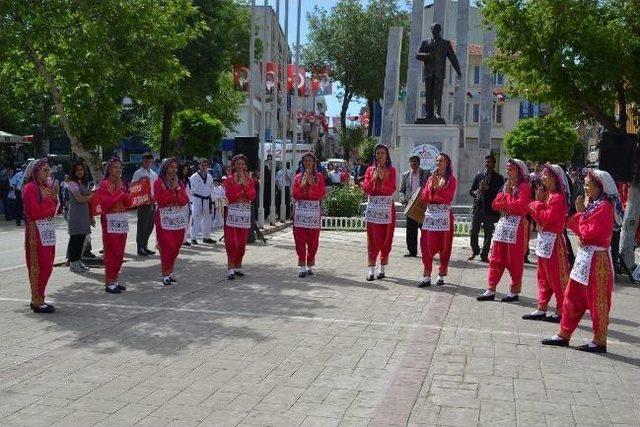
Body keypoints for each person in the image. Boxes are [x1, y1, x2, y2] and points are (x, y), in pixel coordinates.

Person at [542, 169, 622, 353]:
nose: (585, 187)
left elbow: (588, 232)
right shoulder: (595, 205)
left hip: (597, 261)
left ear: (599, 187)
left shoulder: (604, 207)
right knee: (572, 296)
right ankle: (564, 333)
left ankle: (599, 340)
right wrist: (582, 213)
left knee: (597, 301)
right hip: (585, 258)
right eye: (585, 183)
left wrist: (579, 213)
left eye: (588, 184)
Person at [477, 158, 531, 302]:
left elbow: (520, 207)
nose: (507, 171)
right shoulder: (506, 184)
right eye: (507, 168)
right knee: (496, 258)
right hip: (503, 225)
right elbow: (495, 204)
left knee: (514, 259)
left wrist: (506, 198)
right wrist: (506, 200)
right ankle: (491, 288)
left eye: (510, 169)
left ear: (518, 171)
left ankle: (514, 291)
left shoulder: (524, 187)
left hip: (517, 226)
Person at [523, 163, 571, 322]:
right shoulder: (549, 195)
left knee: (556, 278)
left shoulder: (557, 197)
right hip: (544, 241)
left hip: (554, 243)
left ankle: (560, 310)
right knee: (542, 276)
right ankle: (542, 307)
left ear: (553, 177)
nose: (541, 176)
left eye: (544, 174)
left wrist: (536, 203)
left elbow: (546, 218)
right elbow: (539, 218)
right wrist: (539, 204)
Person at [23, 159, 58, 313]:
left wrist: (54, 199)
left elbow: (56, 209)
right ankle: (37, 300)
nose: (47, 172)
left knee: (48, 265)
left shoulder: (46, 188)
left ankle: (40, 298)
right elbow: (35, 212)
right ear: (36, 172)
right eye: (44, 170)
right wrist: (52, 202)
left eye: (48, 169)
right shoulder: (30, 188)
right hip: (35, 233)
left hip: (47, 231)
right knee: (38, 265)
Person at [419, 153, 457, 287]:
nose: (438, 163)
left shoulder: (451, 179)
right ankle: (427, 275)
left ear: (447, 163)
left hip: (444, 215)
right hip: (430, 215)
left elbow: (448, 197)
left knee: (445, 246)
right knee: (426, 244)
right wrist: (433, 188)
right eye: (437, 161)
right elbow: (424, 197)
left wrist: (437, 190)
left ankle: (441, 274)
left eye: (441, 161)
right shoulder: (431, 179)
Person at [363, 144, 397, 281]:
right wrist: (374, 179)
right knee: (372, 238)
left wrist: (382, 181)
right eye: (378, 153)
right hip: (373, 207)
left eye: (383, 153)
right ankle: (371, 269)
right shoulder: (370, 170)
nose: (380, 155)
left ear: (386, 155)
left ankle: (382, 268)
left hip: (387, 207)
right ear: (375, 155)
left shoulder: (392, 170)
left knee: (386, 238)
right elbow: (366, 188)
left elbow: (391, 188)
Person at [154, 158, 190, 286]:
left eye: (175, 167)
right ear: (165, 168)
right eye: (171, 167)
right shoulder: (159, 182)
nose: (174, 170)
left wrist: (176, 193)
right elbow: (161, 201)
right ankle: (165, 274)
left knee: (176, 246)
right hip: (164, 218)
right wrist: (174, 192)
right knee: (166, 247)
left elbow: (184, 199)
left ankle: (170, 272)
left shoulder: (179, 182)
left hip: (178, 218)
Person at [98, 158, 131, 294]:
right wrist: (120, 193)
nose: (118, 170)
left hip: (121, 219)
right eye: (115, 167)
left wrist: (124, 194)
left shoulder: (123, 183)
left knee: (120, 251)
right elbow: (106, 204)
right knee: (111, 251)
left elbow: (129, 202)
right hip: (110, 220)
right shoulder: (104, 184)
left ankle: (115, 279)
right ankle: (109, 282)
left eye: (120, 168)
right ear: (110, 169)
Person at [292, 152, 326, 277]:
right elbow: (295, 194)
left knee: (313, 241)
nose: (307, 163)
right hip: (300, 212)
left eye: (310, 161)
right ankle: (302, 266)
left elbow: (321, 194)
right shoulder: (298, 177)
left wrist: (311, 186)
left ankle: (310, 264)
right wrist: (303, 186)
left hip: (313, 212)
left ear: (314, 163)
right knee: (299, 239)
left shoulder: (319, 177)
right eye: (305, 161)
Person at [223, 154, 257, 280]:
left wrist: (244, 189)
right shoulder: (229, 179)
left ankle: (238, 266)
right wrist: (240, 187)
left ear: (245, 166)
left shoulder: (249, 179)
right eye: (238, 164)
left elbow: (252, 196)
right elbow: (230, 196)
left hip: (244, 213)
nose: (240, 166)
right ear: (234, 165)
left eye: (242, 164)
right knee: (232, 242)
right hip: (233, 213)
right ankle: (231, 268)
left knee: (242, 243)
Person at [468, 154, 504, 262]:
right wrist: (476, 192)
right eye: (486, 162)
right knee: (473, 231)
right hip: (478, 208)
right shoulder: (479, 176)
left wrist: (488, 188)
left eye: (489, 162)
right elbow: (471, 190)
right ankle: (475, 250)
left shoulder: (499, 178)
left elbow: (500, 192)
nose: (487, 164)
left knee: (488, 234)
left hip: (490, 210)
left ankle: (484, 255)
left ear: (494, 164)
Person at [66, 160, 94, 274]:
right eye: (77, 170)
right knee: (75, 240)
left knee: (81, 239)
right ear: (74, 171)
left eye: (81, 169)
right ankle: (73, 263)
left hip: (83, 216)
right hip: (76, 216)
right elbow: (79, 198)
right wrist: (91, 195)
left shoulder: (81, 182)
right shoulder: (72, 183)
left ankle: (78, 261)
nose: (79, 172)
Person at [399, 155, 430, 257]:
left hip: (422, 206)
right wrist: (402, 198)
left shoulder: (426, 173)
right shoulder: (405, 175)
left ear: (419, 163)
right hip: (410, 206)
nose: (413, 163)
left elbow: (430, 188)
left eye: (415, 161)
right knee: (411, 230)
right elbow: (401, 191)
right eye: (411, 161)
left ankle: (427, 251)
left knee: (425, 230)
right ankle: (412, 251)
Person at [132, 153, 158, 256]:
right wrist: (140, 181)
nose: (148, 163)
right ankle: (140, 247)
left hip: (153, 201)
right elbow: (133, 186)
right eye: (146, 161)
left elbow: (156, 187)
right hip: (143, 202)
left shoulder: (153, 173)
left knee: (150, 225)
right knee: (142, 225)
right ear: (143, 161)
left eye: (150, 162)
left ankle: (145, 246)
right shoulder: (138, 172)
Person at [189, 158, 215, 244]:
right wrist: (192, 200)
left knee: (207, 219)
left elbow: (212, 188)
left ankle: (206, 237)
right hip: (197, 199)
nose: (204, 167)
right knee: (196, 218)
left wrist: (213, 199)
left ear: (208, 166)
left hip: (207, 199)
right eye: (202, 165)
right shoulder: (194, 177)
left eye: (205, 165)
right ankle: (193, 238)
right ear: (199, 165)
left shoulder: (210, 177)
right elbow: (191, 190)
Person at [178, 162, 193, 246]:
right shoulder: (177, 179)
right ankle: (178, 239)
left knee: (186, 222)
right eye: (184, 169)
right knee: (178, 222)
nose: (185, 171)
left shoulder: (189, 179)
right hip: (178, 204)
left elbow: (191, 192)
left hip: (187, 203)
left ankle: (184, 240)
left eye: (186, 169)